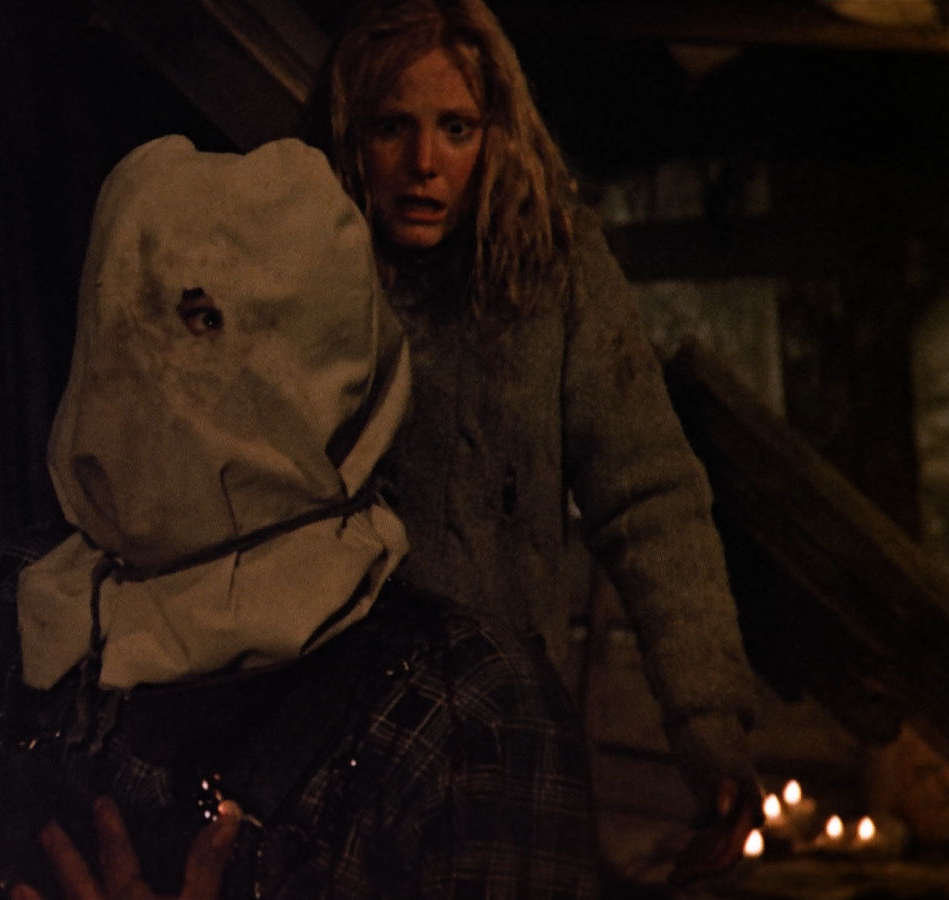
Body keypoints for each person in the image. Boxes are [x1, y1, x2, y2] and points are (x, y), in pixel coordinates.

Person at [0, 135, 599, 899]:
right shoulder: (37, 609)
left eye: (203, 326)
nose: (165, 379)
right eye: (139, 323)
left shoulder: (465, 721)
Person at [302, 0, 762, 882]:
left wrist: (711, 733)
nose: (425, 162)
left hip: (514, 741)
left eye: (457, 128)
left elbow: (652, 502)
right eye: (392, 127)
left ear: (497, 136)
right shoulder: (298, 280)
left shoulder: (553, 271)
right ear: (350, 136)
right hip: (341, 746)